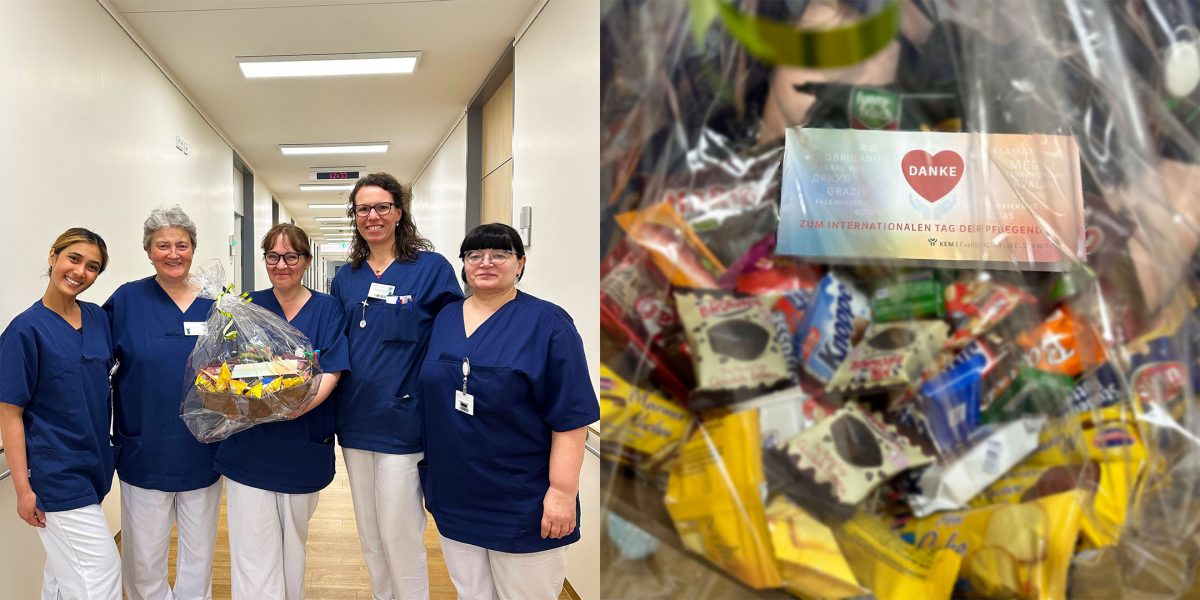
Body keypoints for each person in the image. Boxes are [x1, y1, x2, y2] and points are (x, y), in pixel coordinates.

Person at [419, 223, 599, 600]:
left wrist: (563, 492)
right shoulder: (445, 318)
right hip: (456, 491)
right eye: (474, 255)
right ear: (464, 264)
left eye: (499, 254)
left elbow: (571, 416)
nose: (485, 263)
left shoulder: (549, 323)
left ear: (520, 263)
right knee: (471, 593)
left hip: (522, 495)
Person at [330, 172, 463, 600]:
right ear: (355, 217)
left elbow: (453, 337)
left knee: (400, 534)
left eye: (382, 207)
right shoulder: (346, 277)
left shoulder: (430, 269)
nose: (372, 216)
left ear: (399, 212)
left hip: (405, 418)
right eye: (363, 209)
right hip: (354, 419)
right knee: (369, 534)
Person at [215, 223, 349, 599]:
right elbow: (226, 366)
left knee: (293, 546)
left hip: (302, 442)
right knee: (251, 550)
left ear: (306, 261)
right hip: (250, 445)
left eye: (291, 256)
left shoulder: (327, 308)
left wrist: (298, 406)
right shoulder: (245, 307)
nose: (282, 264)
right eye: (273, 256)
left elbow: (333, 367)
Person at [103, 205, 221, 600]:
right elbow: (91, 360)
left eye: (182, 245)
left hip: (202, 448)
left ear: (193, 249)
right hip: (145, 447)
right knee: (143, 557)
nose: (173, 253)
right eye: (163, 245)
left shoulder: (215, 303)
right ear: (148, 251)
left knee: (199, 553)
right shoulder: (126, 300)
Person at [0, 228, 121, 600]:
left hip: (95, 466)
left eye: (93, 267)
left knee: (62, 575)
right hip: (56, 474)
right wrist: (23, 489)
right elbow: (9, 413)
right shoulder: (25, 330)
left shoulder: (97, 318)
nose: (81, 271)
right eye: (74, 259)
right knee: (99, 577)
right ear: (53, 256)